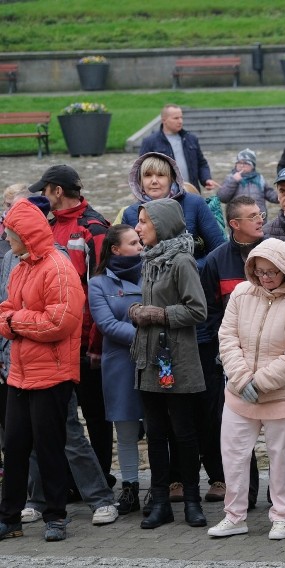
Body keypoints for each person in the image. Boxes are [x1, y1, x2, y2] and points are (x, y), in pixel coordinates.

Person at [208, 239, 285, 541]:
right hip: (239, 390)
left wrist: (261, 381)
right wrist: (242, 378)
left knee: (281, 457)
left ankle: (281, 515)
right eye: (260, 271)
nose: (265, 278)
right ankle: (234, 516)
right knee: (232, 454)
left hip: (283, 394)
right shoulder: (241, 293)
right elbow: (228, 336)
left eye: (272, 272)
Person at [0, 199, 85, 542]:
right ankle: (9, 518)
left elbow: (60, 321)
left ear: (25, 234)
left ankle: (56, 516)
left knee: (50, 447)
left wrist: (15, 322)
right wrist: (12, 321)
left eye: (10, 233)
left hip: (52, 373)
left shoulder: (58, 267)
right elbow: (4, 310)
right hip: (21, 373)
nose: (6, 239)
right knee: (16, 446)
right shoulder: (21, 268)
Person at [28, 165, 114, 487]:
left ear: (57, 191)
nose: (43, 196)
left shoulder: (94, 227)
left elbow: (100, 289)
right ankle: (68, 482)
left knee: (95, 416)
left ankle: (102, 478)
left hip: (85, 342)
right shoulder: (48, 228)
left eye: (45, 191)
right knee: (59, 419)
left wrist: (94, 343)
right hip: (53, 340)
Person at [130, 198, 208, 530]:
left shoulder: (181, 262)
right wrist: (135, 311)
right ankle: (160, 501)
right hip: (149, 360)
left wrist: (159, 314)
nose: (137, 228)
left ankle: (192, 500)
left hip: (176, 360)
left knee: (183, 432)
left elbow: (198, 311)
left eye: (144, 222)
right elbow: (145, 304)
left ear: (161, 225)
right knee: (156, 432)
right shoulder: (149, 260)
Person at [197, 195, 267, 507]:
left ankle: (284, 484)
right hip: (233, 358)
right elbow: (209, 311)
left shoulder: (274, 254)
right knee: (239, 429)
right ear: (234, 224)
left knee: (284, 430)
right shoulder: (216, 261)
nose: (260, 219)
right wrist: (220, 350)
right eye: (253, 215)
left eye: (260, 213)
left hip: (273, 353)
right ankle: (247, 491)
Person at [88, 225, 145, 515]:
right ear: (115, 249)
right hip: (120, 363)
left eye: (140, 241)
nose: (140, 246)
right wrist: (145, 337)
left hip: (155, 360)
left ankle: (164, 486)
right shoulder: (98, 283)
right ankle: (131, 488)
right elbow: (106, 324)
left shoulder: (151, 271)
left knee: (161, 427)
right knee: (125, 429)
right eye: (133, 243)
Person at [122, 152, 225, 266]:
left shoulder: (194, 203)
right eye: (148, 175)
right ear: (140, 180)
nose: (154, 181)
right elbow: (125, 258)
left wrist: (189, 268)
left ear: (171, 178)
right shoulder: (130, 213)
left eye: (161, 175)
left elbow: (218, 249)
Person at [139, 103, 215, 190]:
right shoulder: (150, 141)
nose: (180, 121)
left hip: (191, 192)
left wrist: (206, 179)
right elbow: (142, 170)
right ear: (164, 120)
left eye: (181, 117)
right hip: (165, 195)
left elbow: (202, 163)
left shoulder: (191, 138)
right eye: (176, 118)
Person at [217, 148, 277, 216]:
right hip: (239, 217)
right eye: (239, 162)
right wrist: (234, 181)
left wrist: (280, 196)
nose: (242, 165)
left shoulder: (259, 178)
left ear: (252, 166)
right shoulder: (230, 178)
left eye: (245, 163)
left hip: (258, 216)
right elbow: (222, 197)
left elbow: (269, 193)